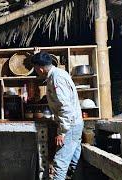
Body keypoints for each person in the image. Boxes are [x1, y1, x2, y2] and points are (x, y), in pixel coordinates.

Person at [31, 50, 84, 180]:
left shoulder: (56, 79)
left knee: (60, 164)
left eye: (35, 68)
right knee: (74, 160)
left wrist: (63, 132)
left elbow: (65, 106)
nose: (35, 71)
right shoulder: (58, 74)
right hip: (75, 123)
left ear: (40, 68)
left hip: (69, 126)